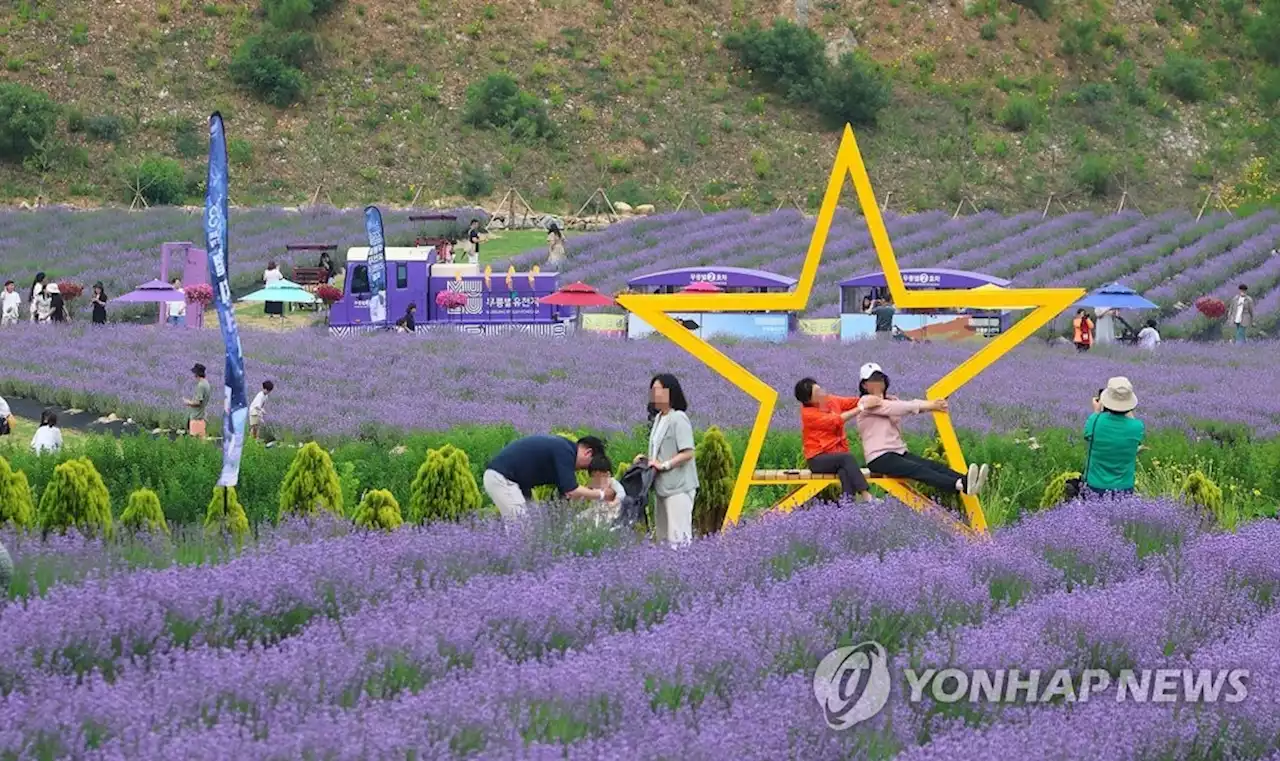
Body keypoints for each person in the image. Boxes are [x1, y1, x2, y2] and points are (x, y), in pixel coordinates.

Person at [854, 363, 989, 501]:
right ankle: (957, 484)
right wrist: (930, 405)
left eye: (880, 378)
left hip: (898, 452)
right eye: (873, 380)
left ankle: (967, 482)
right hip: (879, 458)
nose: (878, 383)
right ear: (864, 385)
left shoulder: (890, 400)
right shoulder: (865, 403)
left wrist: (933, 404)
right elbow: (897, 408)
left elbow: (906, 406)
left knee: (932, 465)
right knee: (918, 469)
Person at [482, 434, 613, 520]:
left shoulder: (564, 449)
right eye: (586, 467)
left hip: (516, 484)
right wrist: (601, 494)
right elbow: (571, 490)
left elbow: (567, 496)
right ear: (588, 452)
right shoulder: (565, 451)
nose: (581, 471)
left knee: (535, 523)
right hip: (502, 478)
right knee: (521, 528)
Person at [641, 374, 698, 546]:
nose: (654, 395)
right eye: (653, 391)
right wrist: (646, 459)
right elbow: (660, 449)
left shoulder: (678, 418)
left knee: (678, 537)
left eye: (658, 390)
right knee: (663, 538)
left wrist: (664, 465)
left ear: (670, 392)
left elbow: (688, 452)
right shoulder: (659, 418)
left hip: (678, 487)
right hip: (661, 486)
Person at [794, 377, 872, 502]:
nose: (822, 394)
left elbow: (851, 402)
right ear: (809, 400)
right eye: (817, 393)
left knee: (844, 471)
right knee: (847, 458)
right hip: (818, 459)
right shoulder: (808, 414)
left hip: (835, 455)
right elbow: (836, 421)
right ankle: (865, 494)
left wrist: (879, 398)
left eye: (819, 389)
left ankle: (847, 506)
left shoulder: (829, 400)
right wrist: (861, 408)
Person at [1082, 377, 1144, 498]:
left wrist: (1097, 411)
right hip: (1124, 488)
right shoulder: (1137, 427)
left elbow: (1087, 436)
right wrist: (1125, 408)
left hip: (1095, 486)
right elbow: (1133, 432)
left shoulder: (1094, 421)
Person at [577, 454, 627, 528]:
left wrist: (614, 502)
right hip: (596, 509)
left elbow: (622, 493)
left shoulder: (612, 482)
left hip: (610, 510)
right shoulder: (593, 484)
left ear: (607, 474)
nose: (597, 479)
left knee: (602, 522)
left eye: (600, 476)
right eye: (593, 476)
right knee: (580, 517)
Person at [183, 363, 211, 439]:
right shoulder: (206, 384)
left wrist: (188, 402)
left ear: (197, 374)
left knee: (195, 442)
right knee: (201, 443)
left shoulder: (201, 385)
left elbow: (198, 402)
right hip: (201, 418)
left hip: (196, 418)